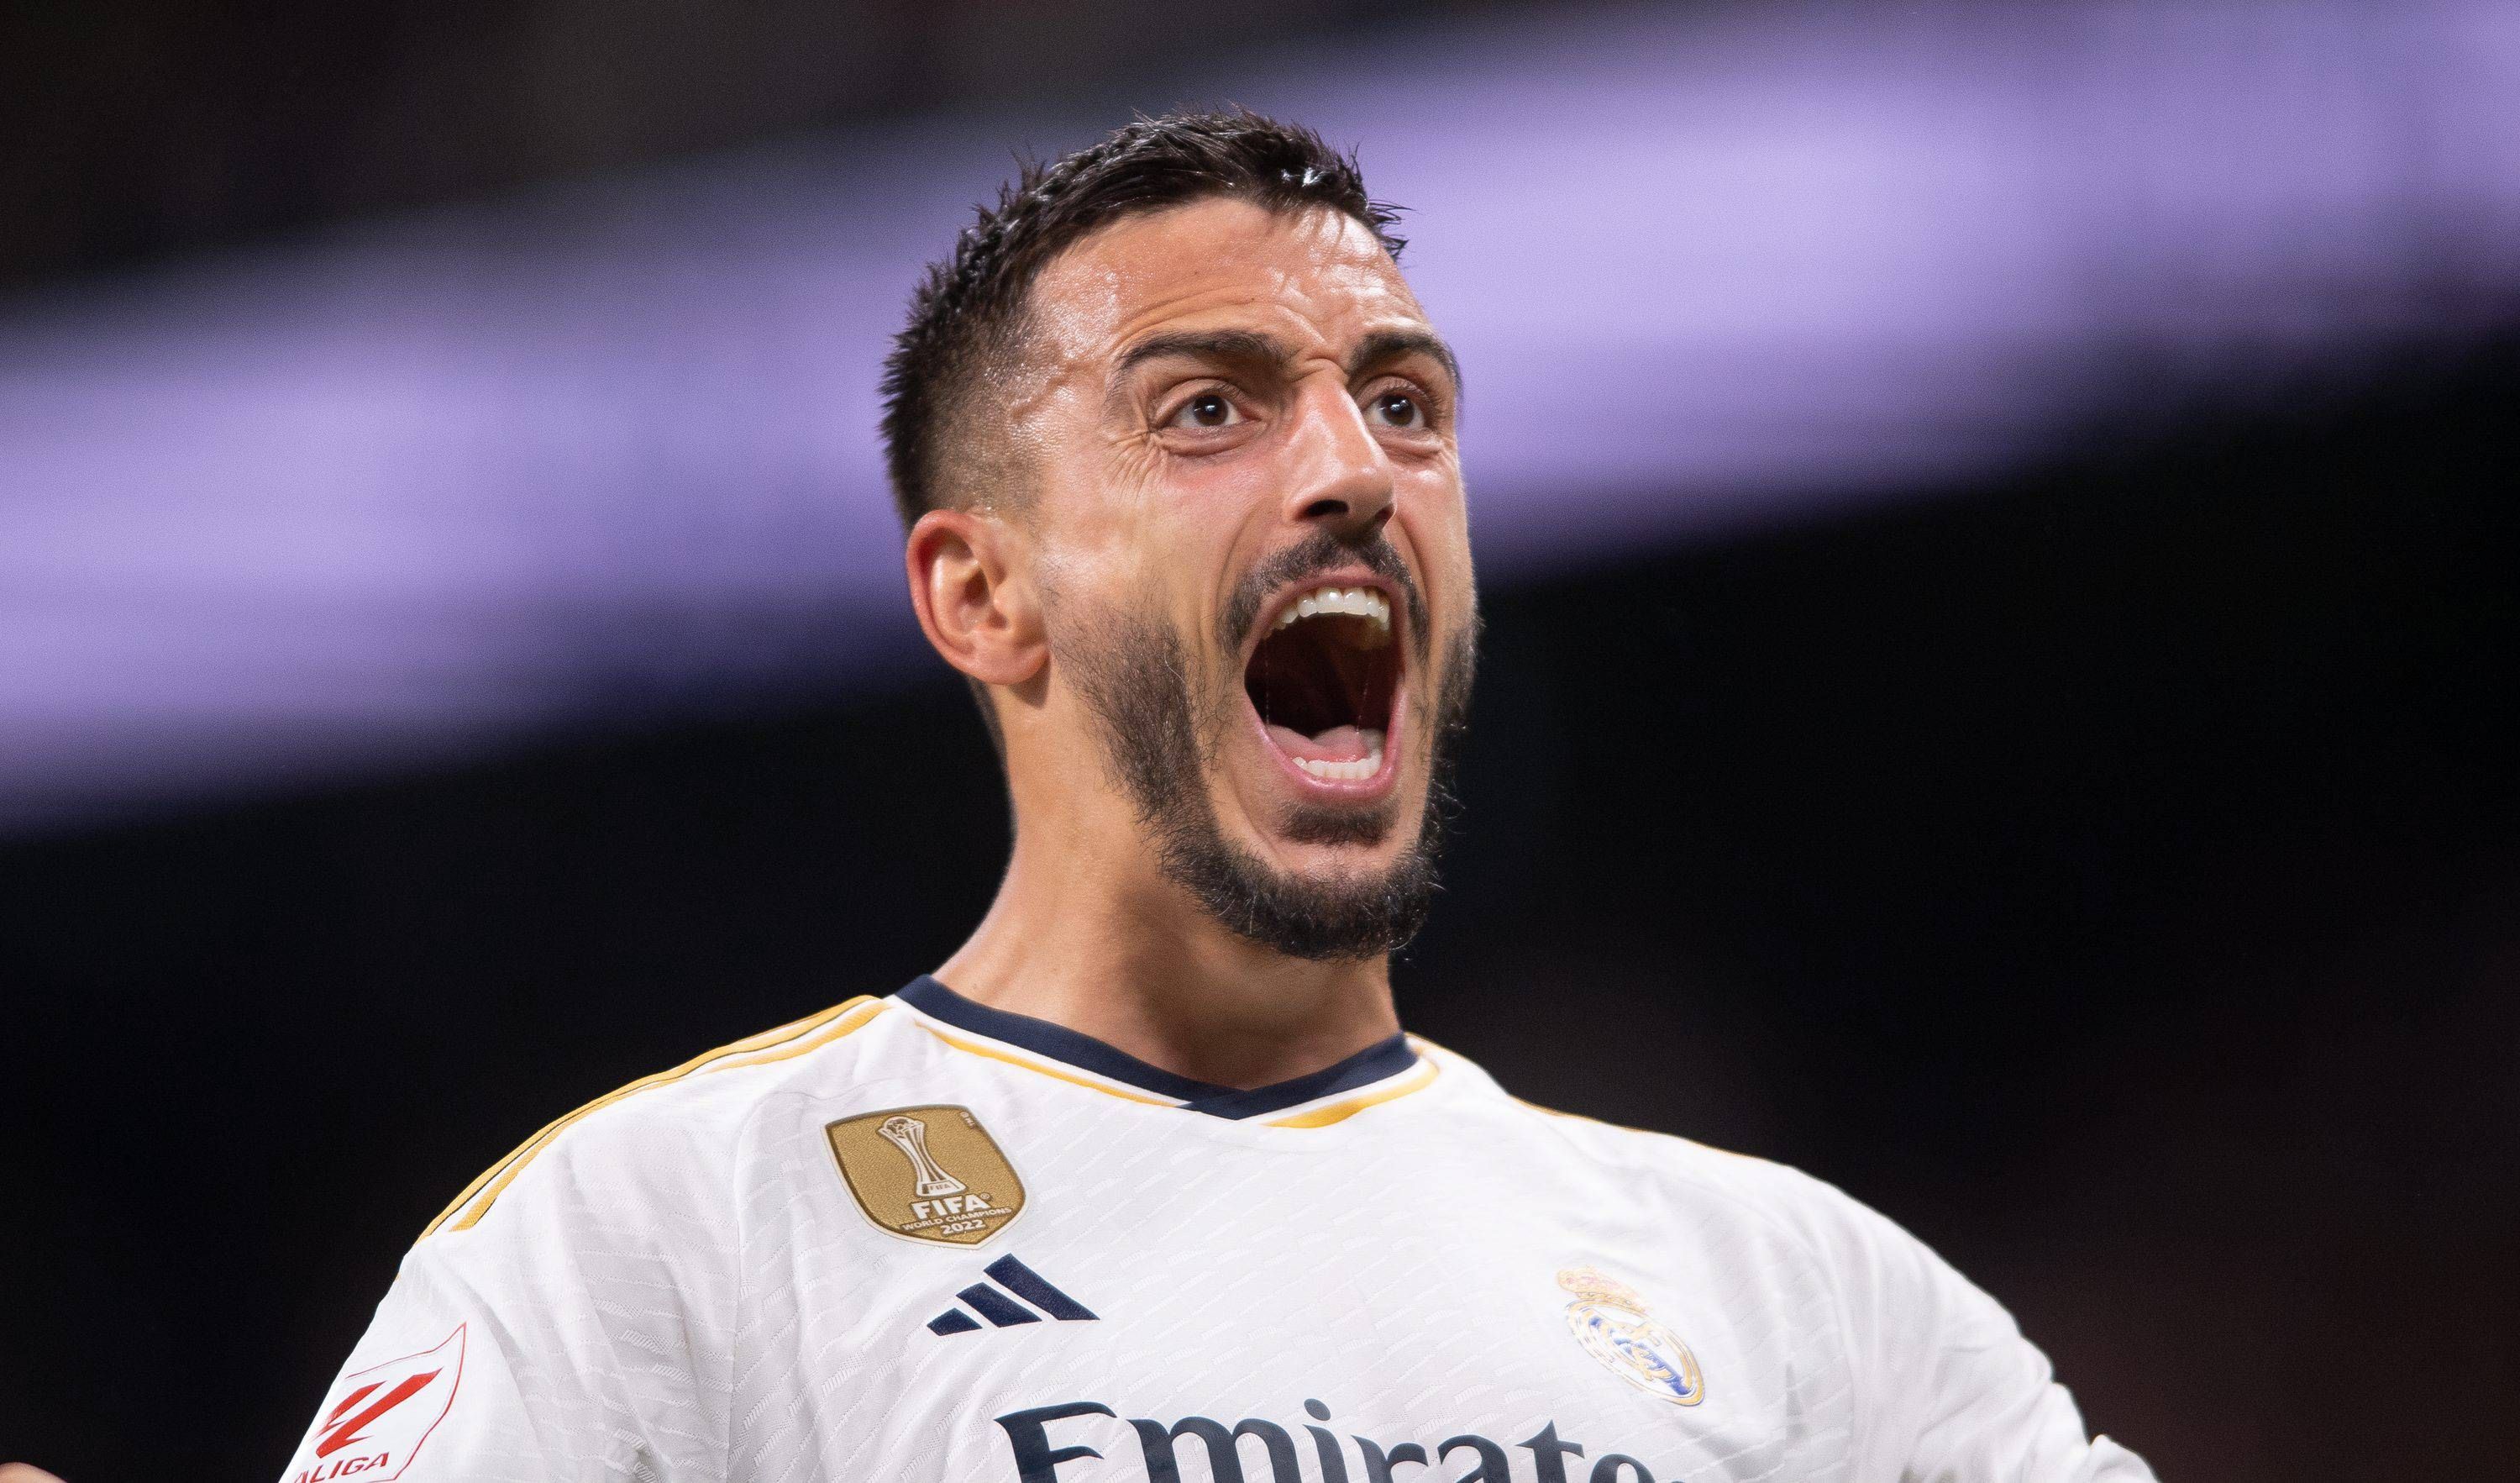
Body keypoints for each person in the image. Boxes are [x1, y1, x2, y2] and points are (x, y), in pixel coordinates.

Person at [233, 109, 2148, 1482]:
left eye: (1404, 403)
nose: (1352, 467)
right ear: (982, 595)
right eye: (1209, 409)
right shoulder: (668, 1235)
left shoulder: (1802, 1302)